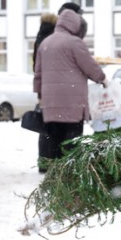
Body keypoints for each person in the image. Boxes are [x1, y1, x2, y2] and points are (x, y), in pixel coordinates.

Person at [33, 9, 107, 165]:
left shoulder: (45, 43)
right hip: (72, 103)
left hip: (50, 102)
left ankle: (50, 167)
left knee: (53, 136)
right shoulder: (75, 43)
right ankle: (69, 168)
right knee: (72, 138)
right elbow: (89, 66)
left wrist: (39, 94)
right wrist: (102, 79)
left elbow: (38, 73)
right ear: (75, 25)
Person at [33, 2, 85, 172]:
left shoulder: (44, 37)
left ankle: (46, 165)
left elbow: (37, 66)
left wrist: (40, 91)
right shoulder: (61, 37)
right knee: (66, 131)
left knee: (49, 130)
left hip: (48, 89)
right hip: (65, 92)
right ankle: (65, 167)